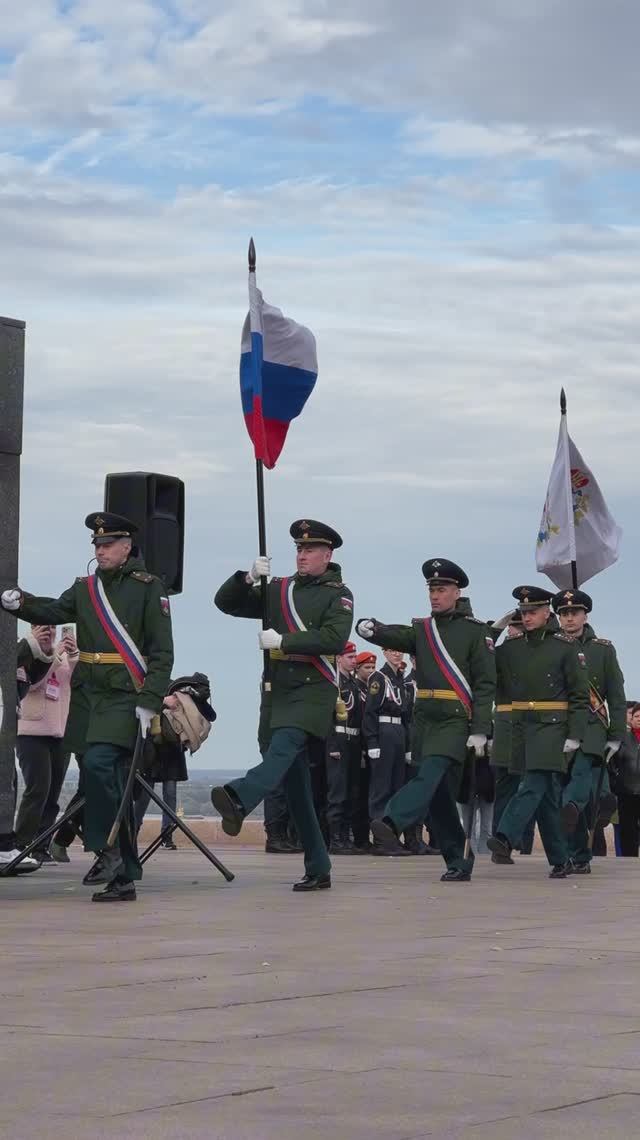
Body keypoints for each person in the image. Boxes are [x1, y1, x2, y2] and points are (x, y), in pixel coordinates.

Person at [1, 512, 174, 901]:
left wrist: (149, 701)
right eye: (96, 545)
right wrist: (19, 602)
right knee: (104, 782)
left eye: (108, 543)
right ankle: (123, 871)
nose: (100, 550)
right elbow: (52, 611)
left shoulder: (149, 587)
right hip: (88, 697)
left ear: (127, 547)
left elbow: (162, 653)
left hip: (123, 694)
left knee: (98, 767)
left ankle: (107, 852)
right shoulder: (85, 589)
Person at [211, 519, 353, 891]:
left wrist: (284, 641)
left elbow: (334, 638)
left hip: (311, 690)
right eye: (299, 549)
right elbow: (226, 604)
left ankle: (240, 797)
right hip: (276, 693)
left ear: (328, 555)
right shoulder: (278, 589)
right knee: (296, 788)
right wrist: (245, 577)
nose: (302, 555)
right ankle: (318, 864)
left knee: (283, 747)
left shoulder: (338, 594)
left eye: (310, 550)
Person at [356, 557, 496, 882]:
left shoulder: (476, 632)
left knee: (429, 774)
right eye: (432, 588)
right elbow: (398, 636)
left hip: (455, 720)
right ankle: (459, 861)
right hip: (425, 721)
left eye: (442, 588)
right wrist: (372, 629)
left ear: (457, 591)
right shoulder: (423, 629)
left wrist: (480, 731)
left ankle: (390, 821)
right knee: (438, 797)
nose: (435, 595)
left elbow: (486, 685)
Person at [487, 585, 589, 878]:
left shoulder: (566, 647)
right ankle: (560, 859)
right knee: (545, 799)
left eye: (532, 611)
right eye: (523, 612)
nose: (527, 616)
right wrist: (494, 630)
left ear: (547, 613)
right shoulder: (511, 649)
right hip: (521, 727)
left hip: (552, 727)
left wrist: (575, 734)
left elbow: (580, 696)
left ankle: (505, 836)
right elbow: (481, 659)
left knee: (532, 784)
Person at [553, 589, 626, 873]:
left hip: (593, 726)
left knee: (579, 782)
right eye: (564, 613)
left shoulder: (603, 649)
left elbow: (617, 696)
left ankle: (570, 805)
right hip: (559, 727)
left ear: (585, 615)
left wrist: (617, 735)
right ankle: (579, 856)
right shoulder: (552, 646)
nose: (569, 618)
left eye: (575, 612)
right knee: (575, 801)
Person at [15, 624, 78, 861]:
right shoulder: (25, 651)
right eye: (43, 628)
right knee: (37, 789)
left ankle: (41, 844)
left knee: (52, 793)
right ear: (33, 628)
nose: (49, 632)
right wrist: (52, 656)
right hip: (31, 732)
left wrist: (71, 655)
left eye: (52, 627)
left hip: (59, 731)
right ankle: (21, 843)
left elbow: (68, 681)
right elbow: (32, 684)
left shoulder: (58, 653)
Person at [363, 648, 412, 856]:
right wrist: (372, 742)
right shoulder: (379, 678)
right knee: (381, 787)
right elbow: (370, 712)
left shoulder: (400, 678)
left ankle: (392, 835)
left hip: (398, 731)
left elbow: (407, 715)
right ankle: (380, 840)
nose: (397, 655)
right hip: (383, 731)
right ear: (384, 653)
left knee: (396, 786)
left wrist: (408, 746)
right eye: (392, 651)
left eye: (399, 651)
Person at [326, 641, 361, 854]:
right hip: (338, 741)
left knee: (351, 792)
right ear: (339, 659)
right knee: (337, 793)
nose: (354, 660)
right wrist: (332, 745)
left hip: (353, 742)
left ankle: (346, 838)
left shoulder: (354, 684)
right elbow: (327, 718)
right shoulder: (333, 683)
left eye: (355, 656)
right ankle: (336, 839)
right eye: (350, 657)